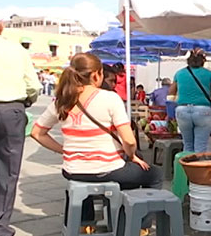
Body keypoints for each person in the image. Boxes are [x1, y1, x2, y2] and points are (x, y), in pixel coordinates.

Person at [31, 53, 162, 192]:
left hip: (71, 170)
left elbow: (37, 133)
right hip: (107, 168)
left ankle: (83, 213)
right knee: (154, 174)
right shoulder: (110, 98)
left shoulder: (61, 102)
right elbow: (129, 142)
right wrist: (132, 156)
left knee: (84, 191)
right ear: (96, 75)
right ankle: (127, 212)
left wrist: (64, 150)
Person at [0, 6, 42, 236]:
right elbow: (33, 86)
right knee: (7, 173)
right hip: (11, 110)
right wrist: (25, 101)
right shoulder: (16, 49)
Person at [168, 48, 211, 152]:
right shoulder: (209, 74)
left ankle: (186, 167)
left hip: (183, 110)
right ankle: (198, 167)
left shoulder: (179, 73)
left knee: (187, 144)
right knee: (200, 147)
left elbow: (171, 92)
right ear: (203, 61)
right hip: (203, 111)